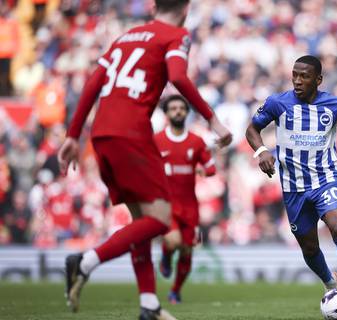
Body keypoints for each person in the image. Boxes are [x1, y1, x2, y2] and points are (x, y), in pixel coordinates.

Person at [57, 1, 232, 319]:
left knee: (142, 221)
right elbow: (178, 76)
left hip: (101, 135)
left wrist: (72, 135)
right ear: (186, 8)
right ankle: (85, 262)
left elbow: (93, 84)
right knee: (161, 220)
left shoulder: (125, 37)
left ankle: (149, 303)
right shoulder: (176, 35)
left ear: (153, 6)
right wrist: (213, 120)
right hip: (132, 135)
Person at [245, 55, 337, 319]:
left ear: (318, 79)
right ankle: (330, 284)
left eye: (304, 76)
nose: (297, 81)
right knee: (310, 248)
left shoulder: (335, 105)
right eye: (294, 75)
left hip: (325, 179)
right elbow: (252, 130)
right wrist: (261, 151)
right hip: (293, 188)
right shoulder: (277, 103)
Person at [154, 95, 216, 304]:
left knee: (188, 250)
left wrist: (203, 170)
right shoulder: (157, 140)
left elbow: (211, 167)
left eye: (182, 108)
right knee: (173, 240)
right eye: (173, 108)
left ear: (187, 112)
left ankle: (175, 290)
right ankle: (165, 253)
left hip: (190, 205)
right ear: (166, 113)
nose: (178, 111)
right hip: (166, 204)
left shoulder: (196, 141)